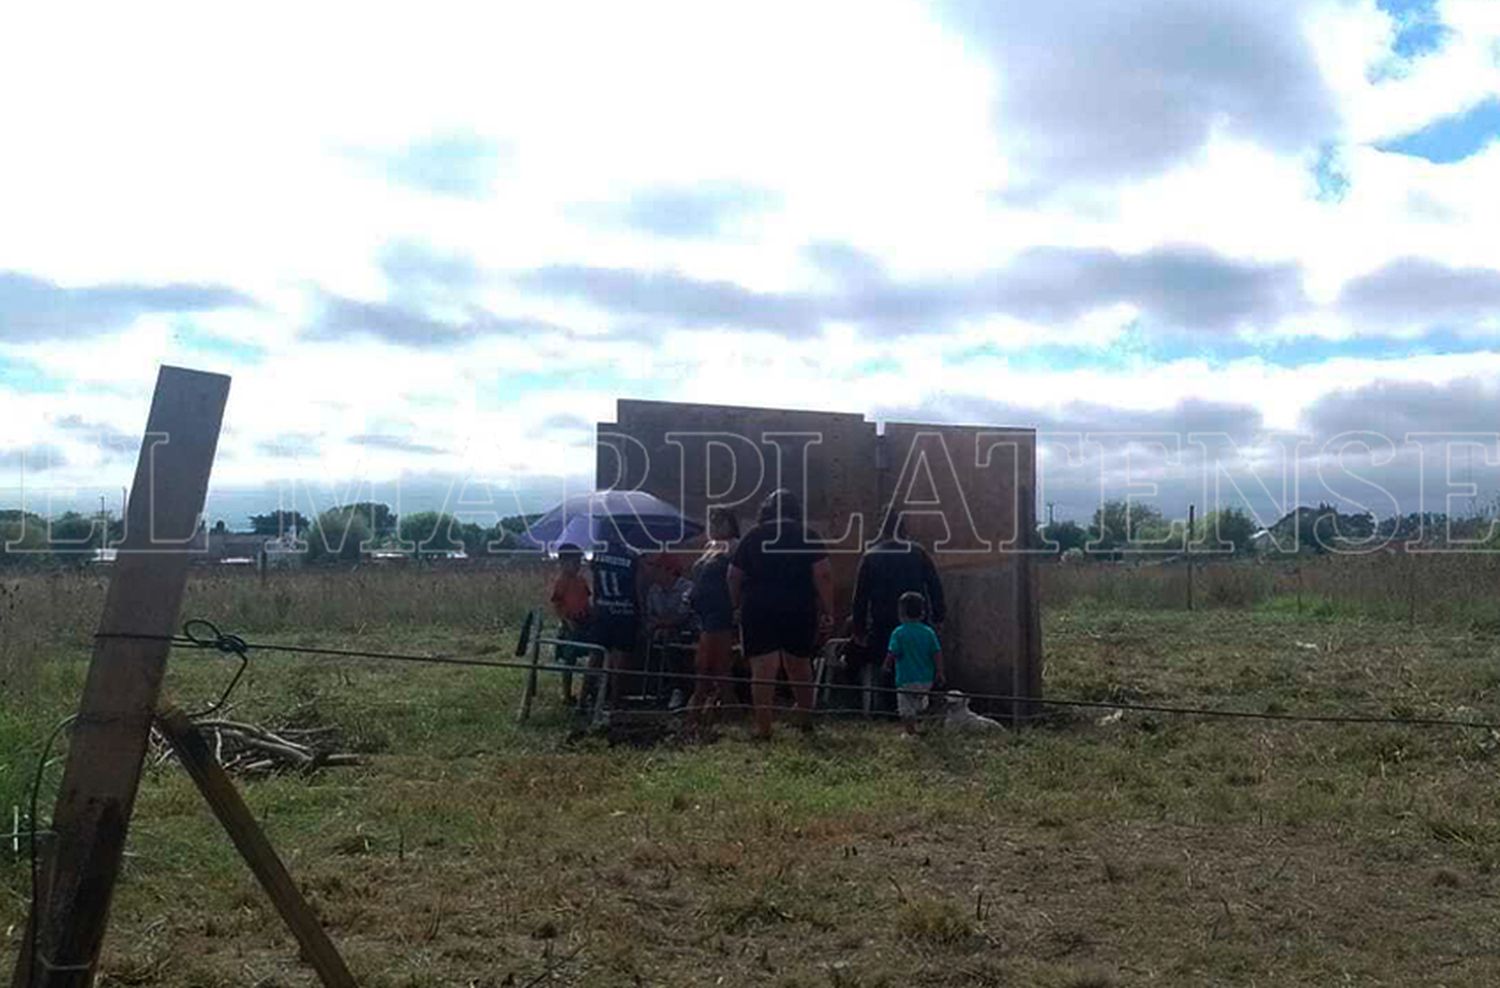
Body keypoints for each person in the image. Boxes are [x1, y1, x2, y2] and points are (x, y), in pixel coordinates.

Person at [728, 489, 834, 740]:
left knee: (763, 669)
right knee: (799, 665)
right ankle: (806, 722)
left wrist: (735, 606)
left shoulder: (752, 537)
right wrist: (829, 610)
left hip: (758, 607)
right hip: (798, 606)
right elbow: (823, 574)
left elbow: (733, 575)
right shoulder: (807, 535)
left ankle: (764, 729)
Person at [850, 514, 946, 709]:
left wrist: (859, 629)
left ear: (881, 530)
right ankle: (921, 708)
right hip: (917, 621)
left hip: (882, 623)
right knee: (920, 664)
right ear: (904, 529)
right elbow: (935, 586)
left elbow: (860, 597)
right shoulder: (919, 553)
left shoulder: (870, 556)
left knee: (888, 668)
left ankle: (891, 710)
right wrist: (938, 616)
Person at [685, 508, 740, 734]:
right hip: (703, 612)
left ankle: (699, 711)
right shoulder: (709, 548)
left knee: (709, 665)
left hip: (721, 611)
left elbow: (736, 577)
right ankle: (728, 710)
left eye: (720, 520)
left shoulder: (735, 546)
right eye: (712, 521)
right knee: (713, 666)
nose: (715, 525)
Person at [589, 535, 641, 707]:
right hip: (625, 611)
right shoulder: (633, 555)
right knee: (620, 657)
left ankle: (590, 694)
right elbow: (638, 585)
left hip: (603, 609)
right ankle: (615, 698)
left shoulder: (597, 553)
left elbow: (595, 581)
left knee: (597, 654)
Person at [883, 591, 944, 736]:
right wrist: (940, 672)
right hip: (925, 679)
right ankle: (922, 721)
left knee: (906, 708)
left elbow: (893, 652)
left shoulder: (898, 633)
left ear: (901, 613)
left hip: (905, 679)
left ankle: (910, 732)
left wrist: (886, 665)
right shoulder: (928, 632)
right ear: (922, 613)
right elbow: (937, 653)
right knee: (920, 703)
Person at [645, 557, 695, 707]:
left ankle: (678, 688)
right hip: (661, 632)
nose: (653, 572)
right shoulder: (654, 590)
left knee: (670, 641)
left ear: (669, 570)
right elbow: (650, 614)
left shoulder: (687, 588)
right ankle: (657, 689)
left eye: (657, 568)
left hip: (688, 632)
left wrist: (661, 624)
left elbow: (683, 615)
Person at [547, 543, 592, 704]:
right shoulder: (562, 581)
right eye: (574, 562)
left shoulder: (581, 580)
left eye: (579, 562)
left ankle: (588, 691)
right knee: (569, 660)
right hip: (569, 625)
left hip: (584, 621)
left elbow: (587, 600)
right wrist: (566, 620)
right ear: (563, 563)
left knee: (592, 654)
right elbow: (557, 604)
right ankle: (566, 694)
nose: (578, 565)